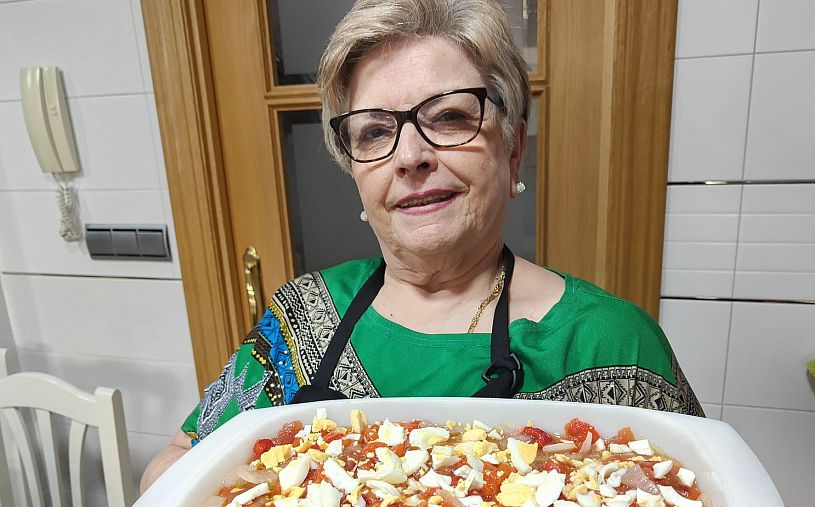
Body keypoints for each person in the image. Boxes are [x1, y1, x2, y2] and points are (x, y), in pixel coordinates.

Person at [140, 0, 702, 492]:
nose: (410, 156)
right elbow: (178, 461)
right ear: (356, 175)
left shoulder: (612, 343)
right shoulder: (303, 316)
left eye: (451, 116)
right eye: (375, 131)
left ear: (511, 152)